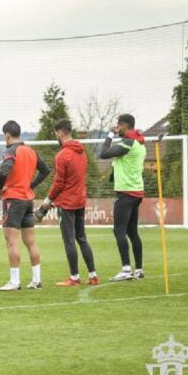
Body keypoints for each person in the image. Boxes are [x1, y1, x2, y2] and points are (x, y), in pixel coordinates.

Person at [37, 120, 98, 286]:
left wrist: (48, 201)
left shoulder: (62, 155)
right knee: (81, 238)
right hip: (80, 200)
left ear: (61, 133)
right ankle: (93, 276)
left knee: (69, 240)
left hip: (67, 204)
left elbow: (59, 183)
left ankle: (74, 277)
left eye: (56, 134)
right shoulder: (82, 152)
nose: (56, 137)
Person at [0, 121, 50, 291]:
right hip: (27, 200)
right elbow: (46, 170)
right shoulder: (31, 151)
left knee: (12, 242)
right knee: (31, 242)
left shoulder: (12, 150)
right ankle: (36, 280)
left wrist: (0, 186)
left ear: (7, 135)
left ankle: (14, 281)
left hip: (13, 199)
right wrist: (31, 185)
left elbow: (4, 171)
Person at [99, 113, 147, 282]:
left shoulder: (128, 143)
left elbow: (103, 153)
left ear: (124, 126)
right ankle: (139, 269)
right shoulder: (140, 144)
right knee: (132, 231)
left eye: (118, 126)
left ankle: (126, 269)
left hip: (126, 193)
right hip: (136, 192)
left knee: (118, 230)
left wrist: (110, 135)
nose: (117, 128)